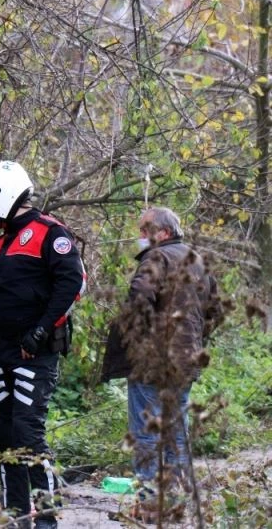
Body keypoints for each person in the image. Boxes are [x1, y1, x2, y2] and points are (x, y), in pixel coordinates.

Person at [0, 161, 85, 529]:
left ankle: (46, 521)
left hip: (35, 352)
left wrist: (41, 331)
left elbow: (71, 283)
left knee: (29, 435)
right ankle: (14, 519)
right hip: (3, 350)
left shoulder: (50, 232)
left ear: (9, 193)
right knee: (6, 437)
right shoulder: (0, 244)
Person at [101, 207, 224, 509]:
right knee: (175, 432)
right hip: (186, 361)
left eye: (145, 229)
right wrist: (195, 340)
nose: (140, 236)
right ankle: (176, 499)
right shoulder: (198, 261)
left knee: (146, 432)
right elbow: (216, 312)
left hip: (151, 363)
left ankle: (149, 503)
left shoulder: (157, 257)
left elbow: (139, 300)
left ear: (163, 233)